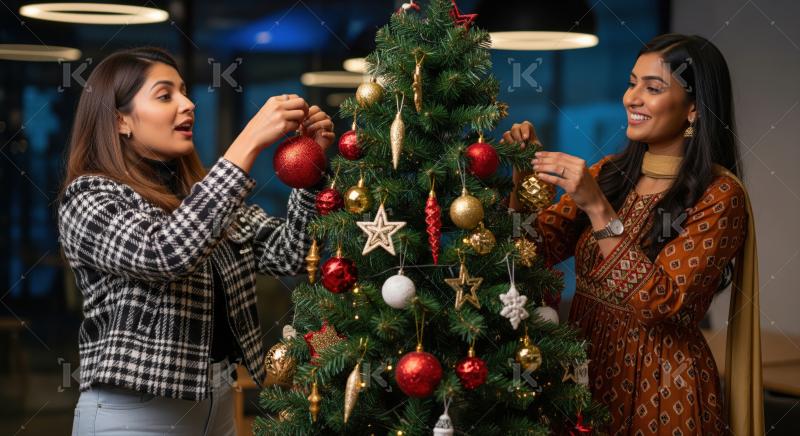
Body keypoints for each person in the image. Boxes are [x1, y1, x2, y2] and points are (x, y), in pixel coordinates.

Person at [58, 47, 335, 435]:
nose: (188, 104)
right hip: (135, 412)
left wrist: (310, 167)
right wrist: (248, 142)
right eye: (165, 95)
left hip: (219, 402)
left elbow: (292, 254)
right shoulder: (89, 197)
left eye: (185, 92)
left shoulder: (201, 196)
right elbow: (164, 254)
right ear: (121, 120)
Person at [506, 34, 762, 435]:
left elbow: (663, 303)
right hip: (585, 377)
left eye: (653, 87)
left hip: (662, 392)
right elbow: (533, 253)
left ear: (693, 109)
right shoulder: (610, 172)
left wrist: (597, 209)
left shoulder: (719, 195)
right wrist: (525, 178)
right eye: (632, 83)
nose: (632, 98)